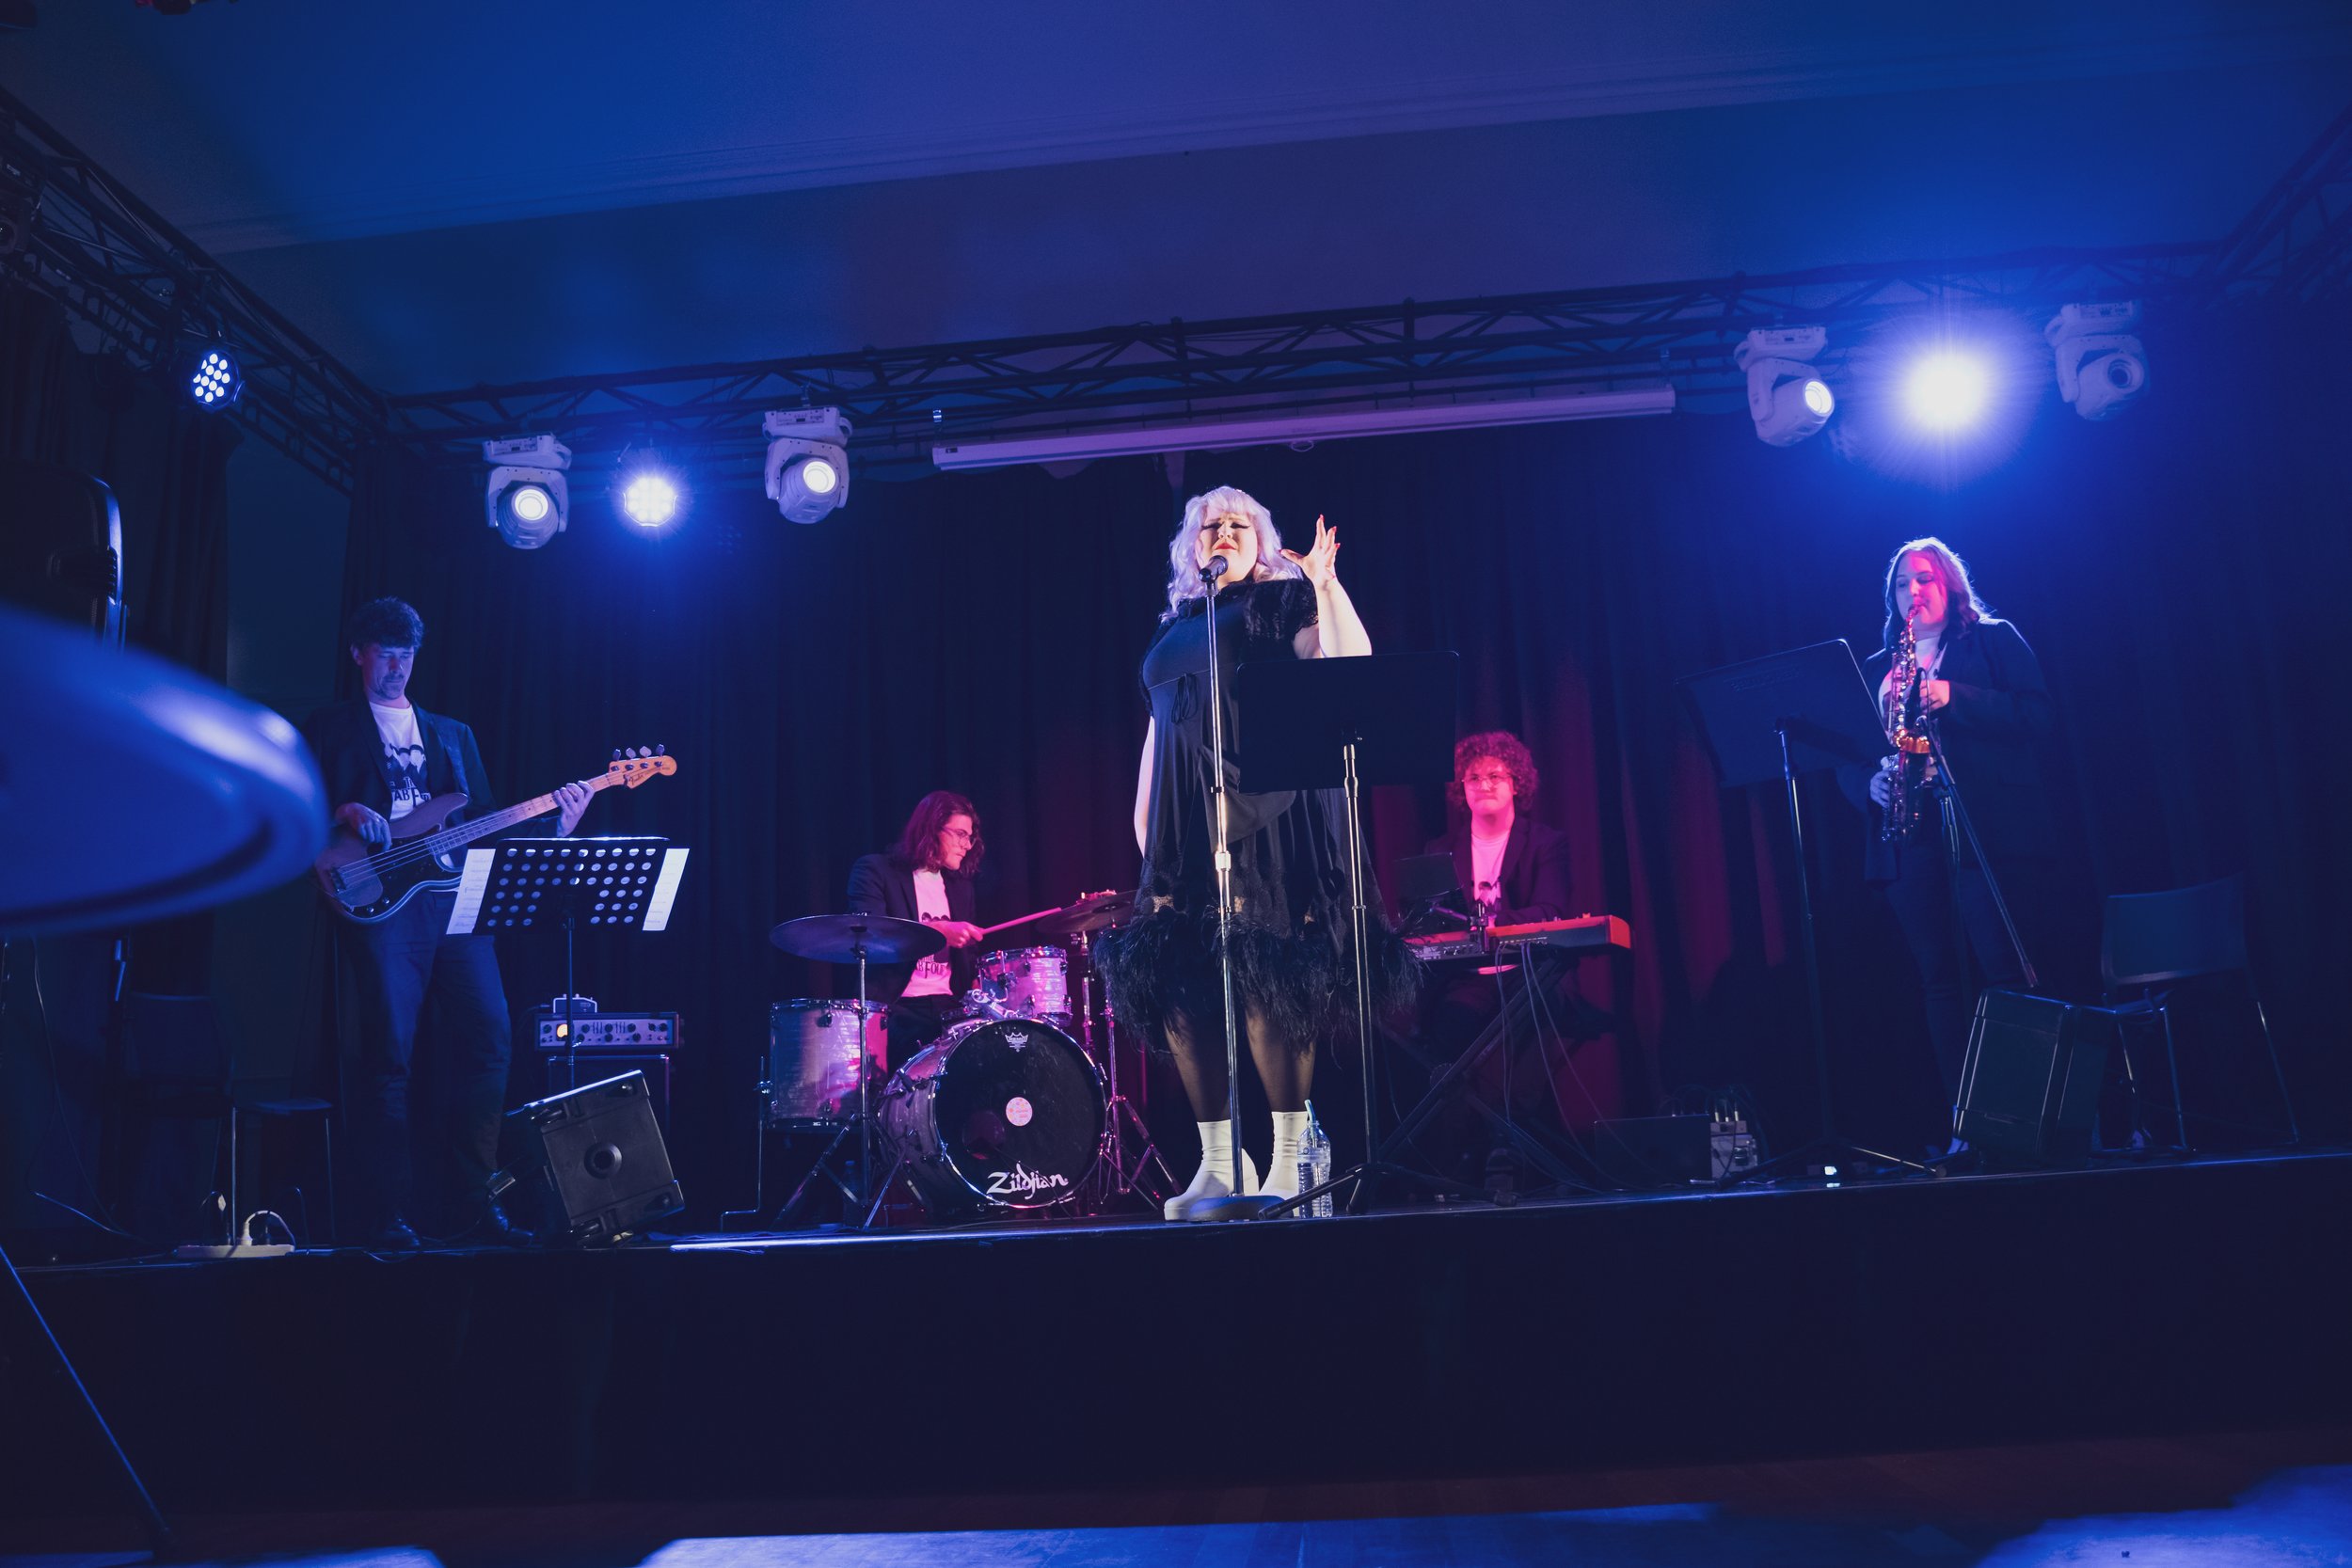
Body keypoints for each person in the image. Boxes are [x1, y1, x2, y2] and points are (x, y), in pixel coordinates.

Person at [1096, 485, 1411, 1219]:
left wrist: (1324, 586)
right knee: (1181, 986)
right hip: (1184, 828)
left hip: (1266, 810)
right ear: (1193, 544)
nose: (1225, 533)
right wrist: (1148, 826)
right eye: (1212, 524)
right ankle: (1217, 1162)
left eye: (1241, 524)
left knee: (1269, 979)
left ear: (1261, 541)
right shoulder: (1177, 624)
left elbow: (1346, 666)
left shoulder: (1279, 603)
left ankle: (1294, 1156)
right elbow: (1160, 733)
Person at [304, 597, 591, 1248]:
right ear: (358, 653)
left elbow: (481, 821)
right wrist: (345, 809)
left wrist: (557, 820)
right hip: (377, 897)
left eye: (407, 654)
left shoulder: (452, 735)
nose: (397, 668)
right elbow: (301, 813)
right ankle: (385, 1212)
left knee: (491, 1036)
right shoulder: (329, 726)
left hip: (455, 897)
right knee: (389, 1057)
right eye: (385, 652)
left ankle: (474, 1203)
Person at [1837, 538, 2058, 1148]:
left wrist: (1955, 695)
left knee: (2005, 971)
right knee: (1938, 979)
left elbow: (2038, 714)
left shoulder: (1992, 638)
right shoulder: (1879, 666)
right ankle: (1966, 1127)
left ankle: (2019, 1121)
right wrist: (1869, 784)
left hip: (1986, 823)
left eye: (1927, 579)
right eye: (1904, 584)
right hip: (1911, 834)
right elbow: (1847, 756)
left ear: (1951, 585)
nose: (1916, 591)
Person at [846, 791, 988, 1073]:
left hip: (949, 1007)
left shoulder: (961, 887)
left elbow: (969, 959)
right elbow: (870, 935)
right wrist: (936, 932)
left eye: (970, 837)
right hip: (897, 1007)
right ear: (931, 829)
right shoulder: (876, 871)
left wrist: (978, 986)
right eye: (960, 834)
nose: (967, 845)